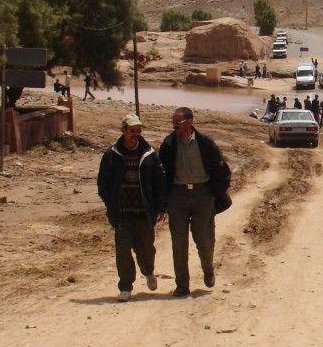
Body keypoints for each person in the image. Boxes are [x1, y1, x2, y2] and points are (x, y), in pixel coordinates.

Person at [159, 107, 232, 297]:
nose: (175, 124)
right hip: (177, 195)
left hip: (202, 195)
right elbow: (161, 175)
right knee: (179, 243)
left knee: (204, 239)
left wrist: (216, 194)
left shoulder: (205, 143)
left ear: (190, 121)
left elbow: (222, 170)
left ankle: (208, 269)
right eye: (173, 121)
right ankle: (182, 284)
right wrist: (163, 201)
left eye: (179, 121)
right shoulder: (168, 144)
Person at [97, 114, 167, 302]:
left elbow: (160, 182)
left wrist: (161, 207)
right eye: (132, 131)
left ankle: (148, 271)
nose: (135, 134)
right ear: (123, 131)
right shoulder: (112, 154)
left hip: (144, 212)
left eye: (138, 131)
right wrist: (110, 202)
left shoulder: (150, 154)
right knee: (123, 250)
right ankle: (125, 286)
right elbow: (102, 182)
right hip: (122, 213)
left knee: (146, 249)